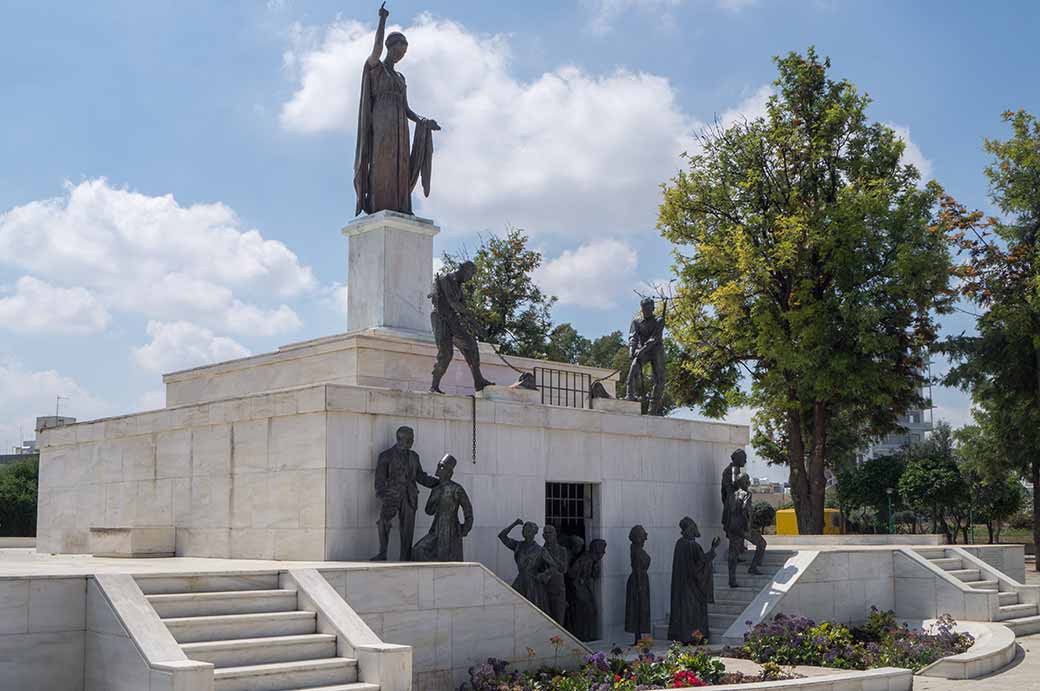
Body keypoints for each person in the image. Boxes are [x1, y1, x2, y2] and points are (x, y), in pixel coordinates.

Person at [354, 2, 440, 215]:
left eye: (403, 53)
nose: (399, 56)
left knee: (399, 164)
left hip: (401, 125)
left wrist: (423, 121)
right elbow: (375, 49)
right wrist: (382, 20)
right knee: (383, 161)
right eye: (397, 51)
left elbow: (407, 108)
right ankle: (379, 203)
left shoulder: (401, 78)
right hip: (382, 122)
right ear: (389, 48)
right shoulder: (376, 68)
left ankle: (399, 205)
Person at [371, 426, 437, 561]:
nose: (412, 442)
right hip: (392, 496)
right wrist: (384, 496)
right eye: (409, 439)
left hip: (409, 496)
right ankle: (382, 552)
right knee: (383, 521)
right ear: (400, 439)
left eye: (412, 439)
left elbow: (420, 476)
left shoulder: (414, 457)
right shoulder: (386, 456)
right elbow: (379, 481)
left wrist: (437, 483)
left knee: (408, 528)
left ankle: (405, 556)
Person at [429, 261, 494, 393]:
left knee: (471, 344)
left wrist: (478, 328)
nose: (470, 278)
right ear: (463, 270)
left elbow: (465, 312)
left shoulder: (459, 288)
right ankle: (434, 386)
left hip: (453, 320)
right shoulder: (445, 278)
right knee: (446, 353)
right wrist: (468, 315)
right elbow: (453, 303)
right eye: (470, 274)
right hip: (440, 319)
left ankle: (478, 381)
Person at [411, 454, 473, 562]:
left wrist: (464, 529)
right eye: (439, 466)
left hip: (451, 529)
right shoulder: (436, 489)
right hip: (436, 529)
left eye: (442, 467)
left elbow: (468, 511)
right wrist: (435, 497)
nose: (439, 469)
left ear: (450, 472)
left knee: (447, 557)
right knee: (418, 550)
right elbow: (428, 511)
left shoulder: (456, 489)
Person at [667, 517, 719, 644]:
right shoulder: (692, 545)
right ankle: (693, 637)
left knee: (686, 612)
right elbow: (700, 564)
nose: (696, 529)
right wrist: (713, 550)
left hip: (682, 587)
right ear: (690, 529)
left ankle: (685, 636)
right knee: (693, 613)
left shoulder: (679, 544)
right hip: (692, 589)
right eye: (694, 526)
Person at [624, 297, 666, 415]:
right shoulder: (636, 322)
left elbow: (655, 338)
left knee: (659, 379)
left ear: (652, 308)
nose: (645, 311)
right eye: (643, 309)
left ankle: (653, 408)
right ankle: (630, 395)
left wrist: (642, 349)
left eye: (648, 309)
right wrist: (632, 350)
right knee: (633, 368)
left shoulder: (659, 321)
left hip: (656, 350)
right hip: (643, 351)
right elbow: (633, 337)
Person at [726, 472, 767, 588]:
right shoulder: (746, 494)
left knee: (732, 554)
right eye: (747, 480)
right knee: (762, 543)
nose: (749, 482)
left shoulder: (732, 495)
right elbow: (746, 509)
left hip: (732, 526)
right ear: (744, 482)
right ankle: (753, 567)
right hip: (742, 527)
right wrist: (748, 526)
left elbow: (729, 512)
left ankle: (731, 579)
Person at [498, 519, 549, 612]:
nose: (524, 532)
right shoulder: (518, 545)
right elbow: (502, 536)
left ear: (533, 533)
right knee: (512, 604)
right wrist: (514, 524)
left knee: (532, 610)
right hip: (520, 580)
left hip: (533, 583)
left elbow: (553, 566)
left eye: (527, 530)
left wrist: (544, 575)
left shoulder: (540, 550)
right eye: (523, 530)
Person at [568, 539, 606, 642]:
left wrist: (596, 566)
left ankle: (587, 635)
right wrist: (579, 580)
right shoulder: (584, 559)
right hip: (579, 589)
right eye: (602, 550)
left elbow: (595, 576)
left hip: (585, 588)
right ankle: (582, 636)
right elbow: (571, 573)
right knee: (586, 612)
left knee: (591, 611)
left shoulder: (592, 561)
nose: (604, 553)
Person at [624, 525, 651, 645]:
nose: (645, 540)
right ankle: (638, 637)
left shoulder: (636, 549)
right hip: (638, 581)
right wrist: (640, 587)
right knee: (638, 608)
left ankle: (639, 637)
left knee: (640, 609)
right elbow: (638, 568)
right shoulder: (636, 551)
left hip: (640, 580)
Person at [721, 449, 749, 561]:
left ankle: (738, 551)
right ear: (737, 458)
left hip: (732, 502)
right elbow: (735, 482)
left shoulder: (733, 469)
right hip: (733, 503)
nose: (745, 461)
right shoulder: (733, 469)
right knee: (736, 529)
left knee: (738, 528)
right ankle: (734, 555)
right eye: (744, 458)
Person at [540, 525, 570, 625]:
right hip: (543, 589)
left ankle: (558, 641)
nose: (548, 535)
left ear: (555, 534)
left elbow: (564, 569)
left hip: (558, 590)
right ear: (543, 535)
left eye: (550, 533)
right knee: (545, 620)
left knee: (558, 619)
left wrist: (551, 560)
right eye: (546, 533)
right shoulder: (540, 551)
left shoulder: (562, 550)